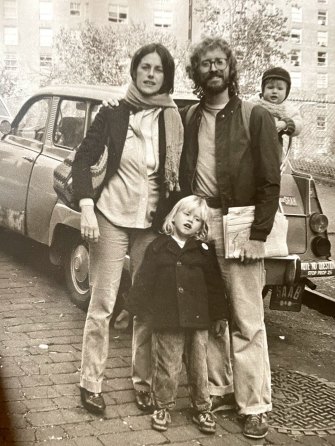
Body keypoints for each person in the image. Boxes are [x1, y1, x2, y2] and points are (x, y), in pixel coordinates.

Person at [72, 42, 184, 415]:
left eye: (158, 70)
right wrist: (87, 206)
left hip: (150, 226)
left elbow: (178, 176)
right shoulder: (113, 114)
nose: (151, 75)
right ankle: (90, 383)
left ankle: (143, 384)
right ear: (134, 71)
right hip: (110, 216)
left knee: (146, 307)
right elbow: (83, 159)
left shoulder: (172, 118)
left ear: (166, 76)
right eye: (145, 67)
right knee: (102, 303)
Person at [179, 37, 282, 439]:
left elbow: (270, 181)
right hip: (202, 221)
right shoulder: (190, 117)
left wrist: (259, 235)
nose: (214, 68)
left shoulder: (255, 117)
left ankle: (255, 405)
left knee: (247, 319)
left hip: (240, 224)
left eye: (220, 61)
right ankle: (222, 390)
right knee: (213, 315)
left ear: (231, 69)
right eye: (206, 63)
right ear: (197, 73)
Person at [123, 195, 229, 434]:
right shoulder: (158, 247)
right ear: (174, 215)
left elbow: (214, 285)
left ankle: (202, 407)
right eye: (187, 214)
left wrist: (220, 315)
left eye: (198, 219)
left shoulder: (203, 251)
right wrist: (130, 310)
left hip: (198, 320)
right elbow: (144, 281)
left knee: (199, 366)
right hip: (167, 318)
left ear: (203, 227)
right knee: (167, 365)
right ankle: (162, 406)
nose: (191, 221)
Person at [249, 67, 302, 150]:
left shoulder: (287, 108)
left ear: (286, 92)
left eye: (280, 88)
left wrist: (285, 124)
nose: (274, 91)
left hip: (274, 149)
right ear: (263, 89)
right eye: (270, 87)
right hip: (251, 146)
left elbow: (298, 125)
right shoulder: (253, 103)